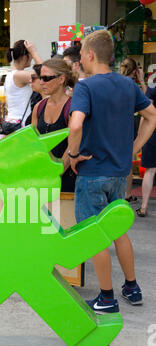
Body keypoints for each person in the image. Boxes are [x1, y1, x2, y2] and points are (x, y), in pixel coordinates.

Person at [68, 30, 156, 313]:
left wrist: (72, 154)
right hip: (120, 173)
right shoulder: (128, 85)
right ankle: (131, 286)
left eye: (81, 52)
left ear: (90, 55)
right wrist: (133, 148)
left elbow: (76, 124)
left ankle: (106, 297)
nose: (80, 57)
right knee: (118, 230)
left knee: (95, 235)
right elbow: (152, 116)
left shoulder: (86, 87)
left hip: (92, 171)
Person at [32, 58, 76, 193]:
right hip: (42, 176)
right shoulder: (39, 107)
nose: (41, 82)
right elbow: (34, 142)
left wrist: (57, 172)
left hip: (66, 178)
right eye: (40, 78)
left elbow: (74, 145)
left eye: (46, 78)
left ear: (61, 79)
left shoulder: (72, 107)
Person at [120, 57, 147, 203]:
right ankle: (127, 194)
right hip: (127, 126)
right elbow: (147, 101)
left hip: (114, 125)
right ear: (135, 71)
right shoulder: (132, 85)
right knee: (128, 161)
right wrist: (141, 80)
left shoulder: (117, 82)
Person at [3, 40, 42, 132]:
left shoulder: (11, 75)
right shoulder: (19, 75)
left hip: (11, 122)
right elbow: (45, 72)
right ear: (25, 57)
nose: (32, 59)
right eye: (31, 57)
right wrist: (34, 52)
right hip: (21, 124)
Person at [134, 85, 156, 217]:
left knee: (150, 170)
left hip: (153, 131)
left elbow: (146, 113)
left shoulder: (153, 87)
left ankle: (143, 206)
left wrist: (140, 134)